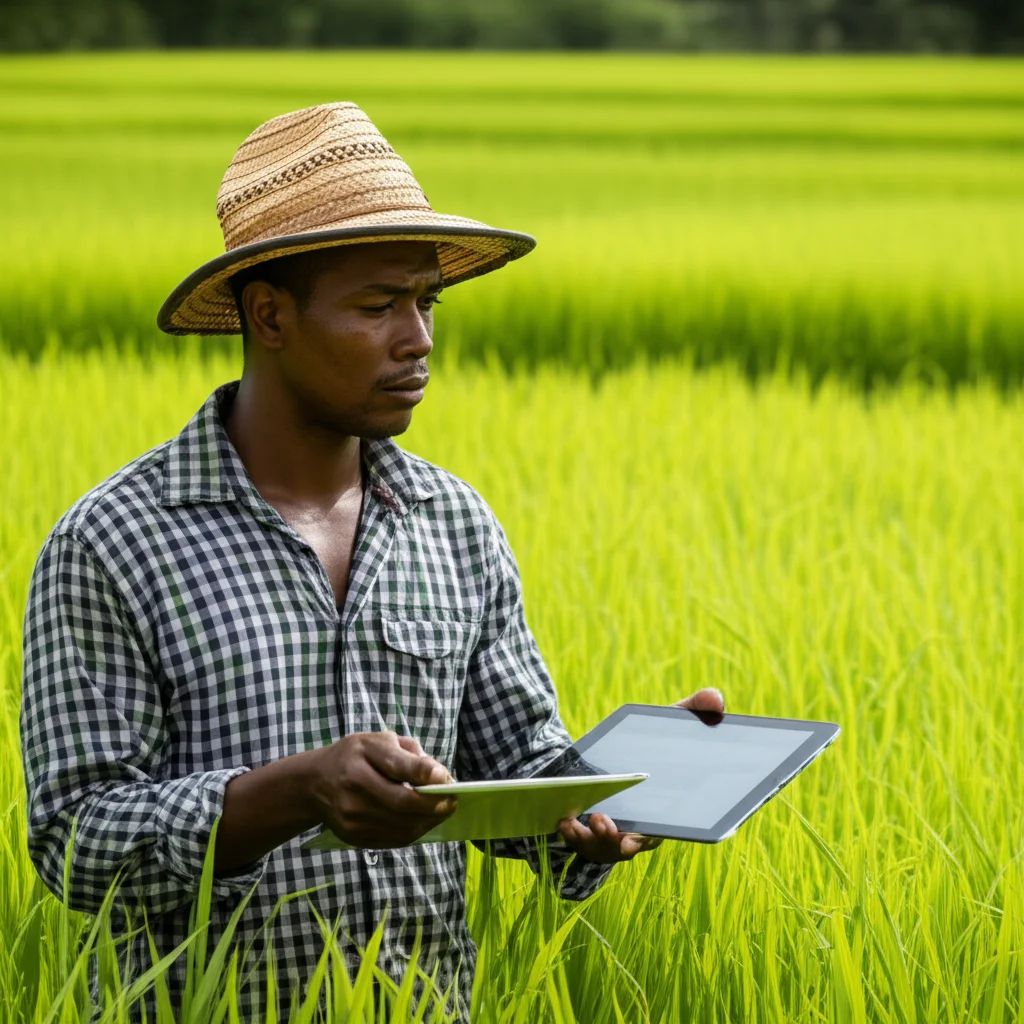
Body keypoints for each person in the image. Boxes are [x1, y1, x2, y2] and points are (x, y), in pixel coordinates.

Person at [20, 102, 724, 1019]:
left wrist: (615, 795)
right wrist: (294, 792)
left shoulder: (454, 523)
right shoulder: (114, 541)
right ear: (270, 315)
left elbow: (515, 770)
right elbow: (77, 844)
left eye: (426, 302)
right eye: (377, 305)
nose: (419, 340)